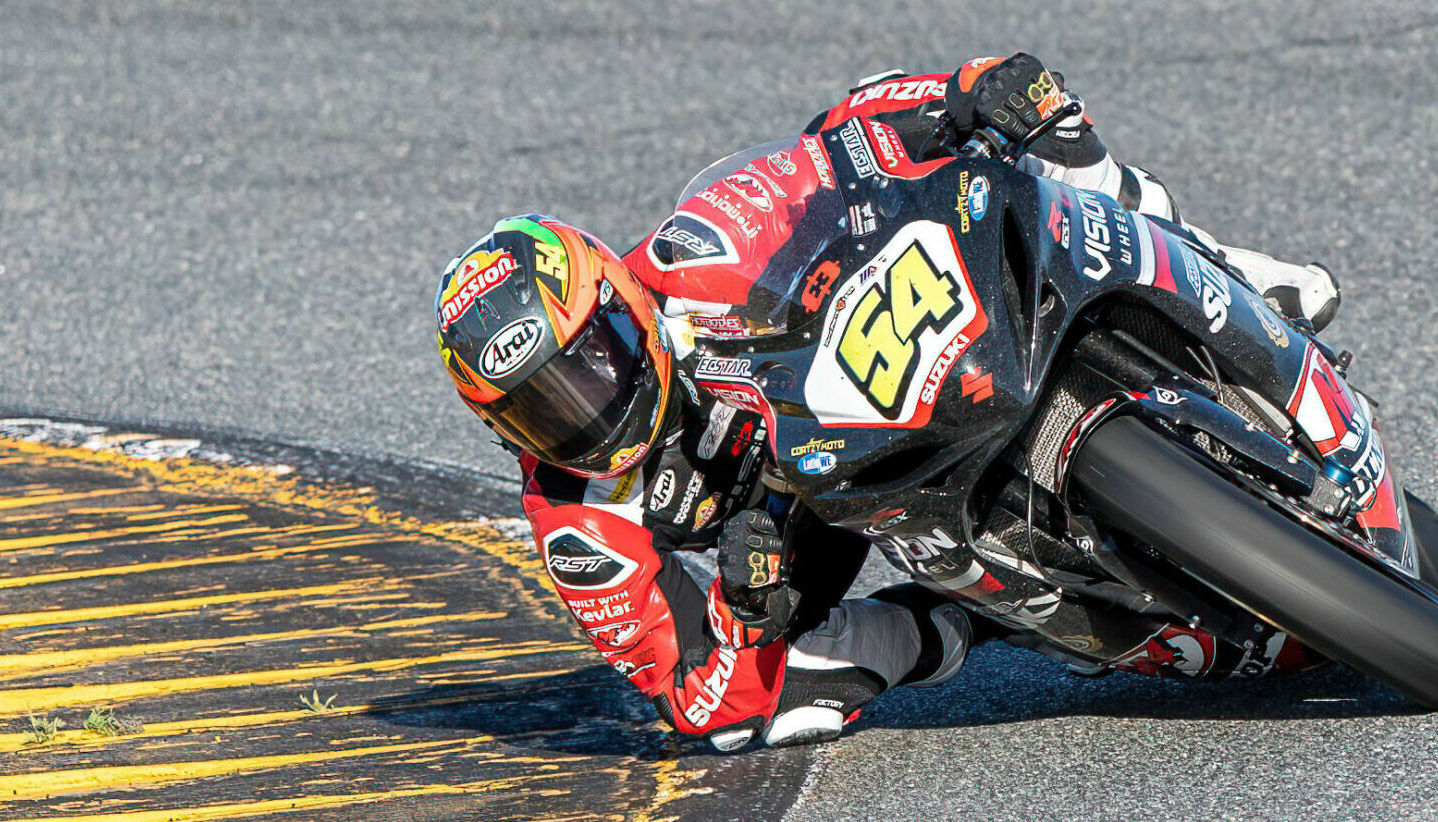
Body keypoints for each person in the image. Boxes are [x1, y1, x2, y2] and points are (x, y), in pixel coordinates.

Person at [434, 54, 1321, 751]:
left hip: (851, 365)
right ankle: (979, 622)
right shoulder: (577, 527)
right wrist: (743, 610)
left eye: (590, 365)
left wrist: (967, 94)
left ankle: (1229, 270)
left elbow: (836, 143)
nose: (585, 410)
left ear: (620, 304)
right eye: (539, 410)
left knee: (1048, 140)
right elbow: (695, 694)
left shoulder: (695, 252)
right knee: (747, 724)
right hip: (791, 531)